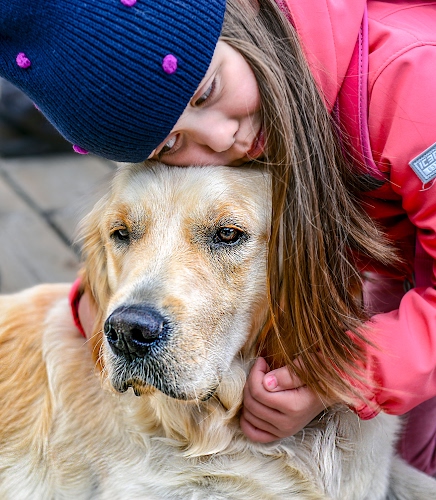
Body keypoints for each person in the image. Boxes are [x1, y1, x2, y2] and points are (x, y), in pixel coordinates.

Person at [2, 0, 436, 476]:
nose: (220, 139)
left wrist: (339, 376)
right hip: (387, 259)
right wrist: (100, 307)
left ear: (239, 20)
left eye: (206, 92)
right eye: (171, 143)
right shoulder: (247, 110)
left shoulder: (414, 85)